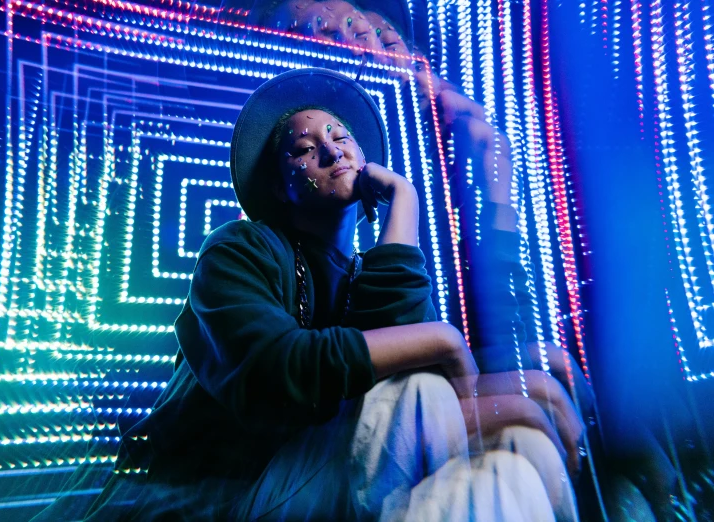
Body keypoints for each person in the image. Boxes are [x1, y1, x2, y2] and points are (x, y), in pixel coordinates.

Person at [33, 68, 581, 521]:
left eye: (341, 137)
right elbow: (278, 371)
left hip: (322, 487)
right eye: (304, 148)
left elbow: (405, 342)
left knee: (519, 463)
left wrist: (405, 203)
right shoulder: (240, 250)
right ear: (279, 184)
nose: (330, 150)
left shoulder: (366, 270)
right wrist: (441, 340)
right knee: (417, 393)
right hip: (209, 502)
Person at [249, 0, 595, 415]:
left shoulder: (442, 166)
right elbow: (390, 338)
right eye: (321, 31)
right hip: (371, 398)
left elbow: (506, 333)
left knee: (555, 371)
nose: (357, 35)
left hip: (426, 375)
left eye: (378, 35)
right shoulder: (330, 198)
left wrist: (496, 196)